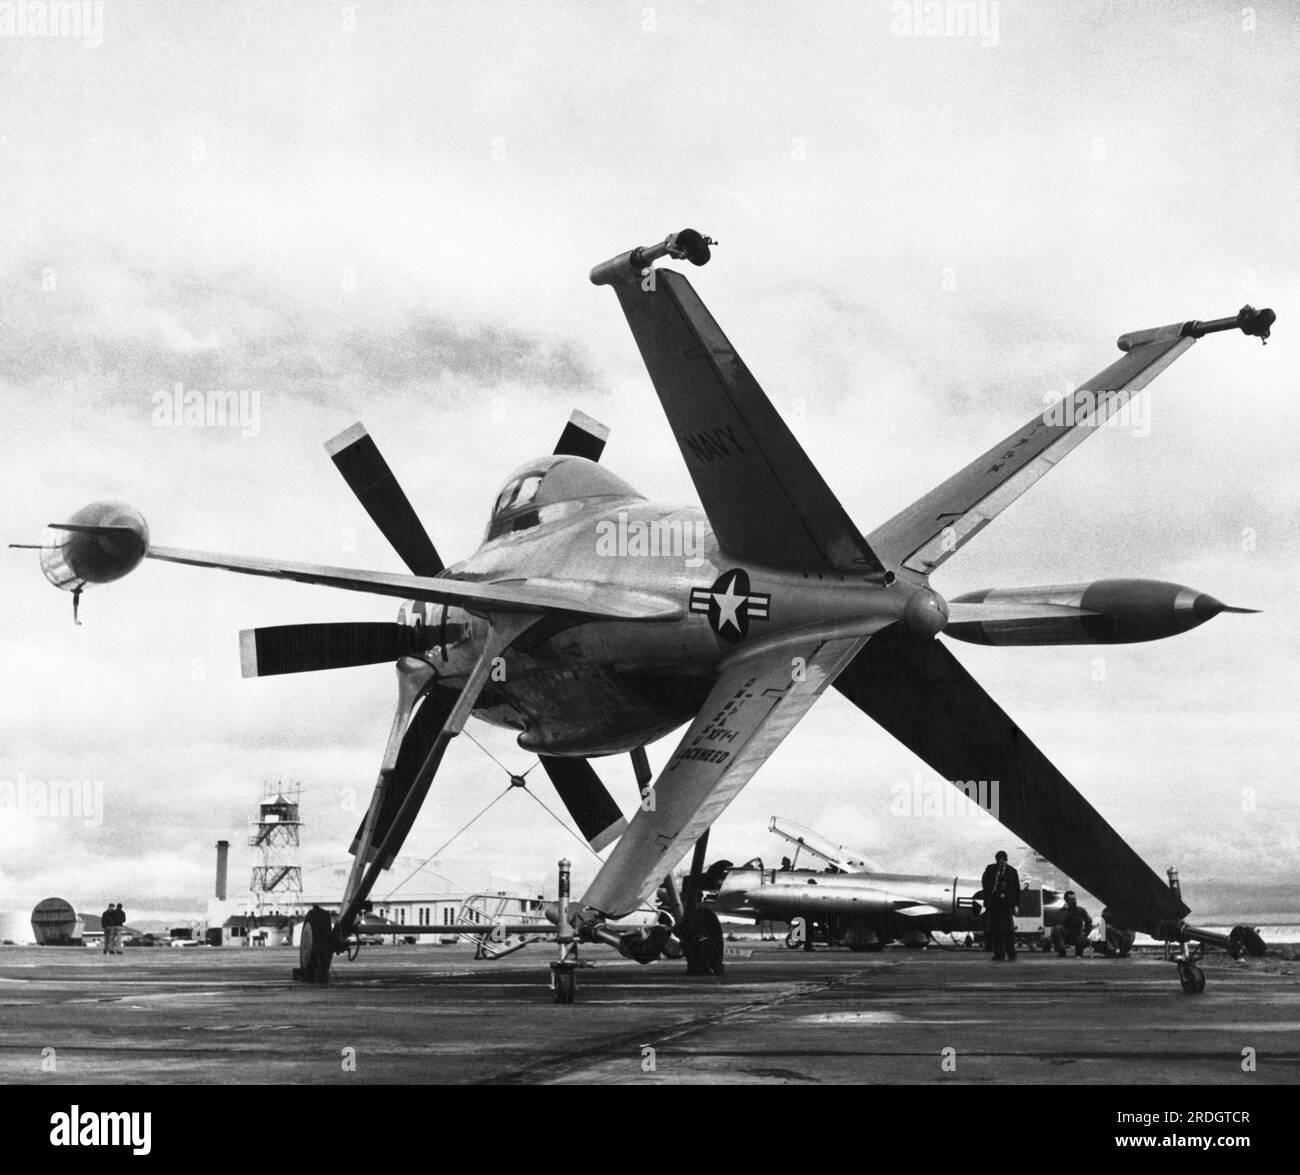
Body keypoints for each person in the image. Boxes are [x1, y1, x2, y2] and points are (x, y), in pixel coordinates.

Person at [979, 850, 1020, 961]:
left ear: (1006, 861)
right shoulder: (990, 869)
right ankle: (999, 954)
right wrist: (993, 887)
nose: (1001, 864)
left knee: (1009, 931)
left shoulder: (1012, 872)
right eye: (999, 862)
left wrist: (1016, 905)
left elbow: (1017, 889)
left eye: (1002, 862)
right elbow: (985, 883)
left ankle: (1011, 954)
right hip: (994, 905)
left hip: (1007, 905)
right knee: (996, 931)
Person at [1051, 890, 1093, 957]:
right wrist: (1065, 911)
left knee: (1079, 947)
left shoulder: (1081, 910)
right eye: (1072, 900)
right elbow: (1058, 923)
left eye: (1075, 899)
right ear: (1066, 901)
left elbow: (1089, 922)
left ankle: (1078, 953)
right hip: (1067, 935)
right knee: (1057, 928)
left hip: (1079, 935)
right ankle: (1062, 950)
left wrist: (1086, 932)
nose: (1074, 901)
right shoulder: (1062, 911)